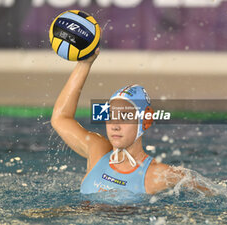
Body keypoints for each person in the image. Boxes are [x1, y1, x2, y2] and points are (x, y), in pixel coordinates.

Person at [51, 47, 214, 196]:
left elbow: (211, 196)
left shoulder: (157, 174)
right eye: (111, 116)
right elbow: (60, 118)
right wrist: (84, 64)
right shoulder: (98, 151)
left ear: (145, 121)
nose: (115, 126)